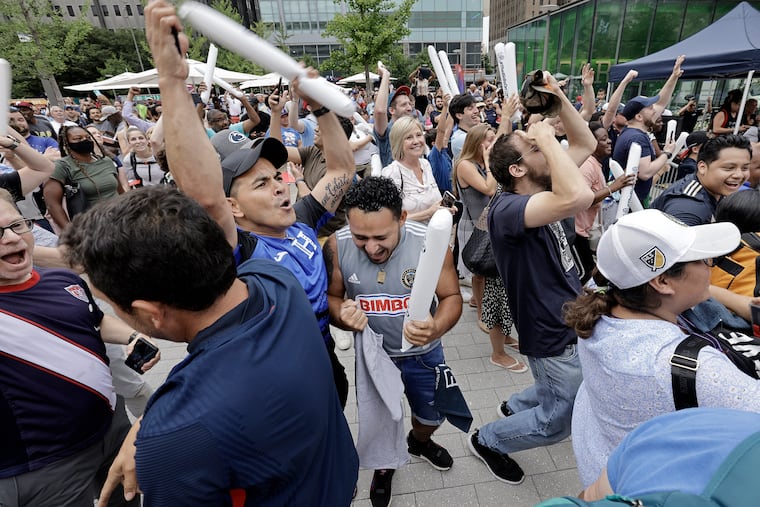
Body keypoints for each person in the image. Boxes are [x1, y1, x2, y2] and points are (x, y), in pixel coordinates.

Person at [62, 184, 358, 506]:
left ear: (151, 313)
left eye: (112, 304)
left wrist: (157, 429)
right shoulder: (276, 280)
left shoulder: (176, 436)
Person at [144, 3, 356, 409]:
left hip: (325, 366)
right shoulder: (237, 249)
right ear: (232, 207)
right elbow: (203, 195)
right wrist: (172, 81)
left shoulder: (302, 220)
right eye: (262, 182)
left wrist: (321, 106)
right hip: (275, 385)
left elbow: (342, 169)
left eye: (278, 176)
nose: (280, 186)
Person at [561, 208, 760, 488]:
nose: (711, 265)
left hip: (605, 464)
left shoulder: (603, 296)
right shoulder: (696, 368)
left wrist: (743, 306)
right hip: (651, 487)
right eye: (703, 259)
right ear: (663, 282)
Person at [466, 70, 597, 484]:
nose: (552, 146)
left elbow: (586, 144)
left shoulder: (539, 184)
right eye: (537, 148)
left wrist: (557, 99)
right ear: (520, 170)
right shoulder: (507, 210)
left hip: (571, 316)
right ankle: (487, 439)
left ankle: (515, 407)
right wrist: (542, 137)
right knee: (557, 423)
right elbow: (579, 196)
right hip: (548, 329)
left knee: (555, 393)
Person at [0, 188, 155, 507]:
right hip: (48, 466)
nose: (13, 238)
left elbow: (94, 320)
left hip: (113, 432)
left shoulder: (59, 280)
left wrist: (132, 338)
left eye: (17, 225)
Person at [324, 176, 462, 507]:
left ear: (401, 218)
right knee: (382, 421)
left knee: (431, 415)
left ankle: (418, 442)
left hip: (424, 353)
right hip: (375, 356)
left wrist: (435, 327)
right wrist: (341, 312)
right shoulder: (337, 245)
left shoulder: (429, 242)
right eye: (361, 237)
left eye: (381, 236)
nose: (371, 248)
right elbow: (330, 298)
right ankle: (385, 466)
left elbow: (452, 297)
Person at [612, 56, 683, 204]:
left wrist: (674, 76)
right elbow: (645, 172)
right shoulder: (637, 138)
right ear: (638, 116)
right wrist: (667, 153)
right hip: (631, 203)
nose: (654, 111)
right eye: (650, 108)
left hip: (632, 199)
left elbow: (661, 102)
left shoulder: (631, 132)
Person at [573, 122, 635, 283]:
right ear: (591, 143)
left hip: (583, 231)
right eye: (603, 139)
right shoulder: (587, 165)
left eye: (608, 138)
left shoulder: (595, 164)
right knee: (584, 274)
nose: (609, 141)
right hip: (574, 232)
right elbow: (581, 199)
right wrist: (612, 188)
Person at [651, 135, 751, 226]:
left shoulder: (714, 189)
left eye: (745, 168)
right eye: (729, 168)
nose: (739, 175)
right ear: (702, 167)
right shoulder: (689, 208)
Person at [44, 126, 127, 230]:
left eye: (88, 137)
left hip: (120, 221)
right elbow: (53, 205)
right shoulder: (62, 166)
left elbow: (120, 192)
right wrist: (71, 232)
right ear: (67, 143)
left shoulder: (106, 161)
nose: (84, 140)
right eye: (78, 138)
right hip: (91, 227)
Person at [381, 116, 447, 224]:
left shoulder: (425, 164)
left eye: (419, 135)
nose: (416, 141)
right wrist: (429, 212)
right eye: (409, 137)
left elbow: (432, 201)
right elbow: (389, 221)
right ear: (398, 142)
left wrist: (443, 208)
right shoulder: (391, 173)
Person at [374, 68, 418, 167]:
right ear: (392, 110)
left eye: (409, 104)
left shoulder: (413, 127)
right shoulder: (387, 130)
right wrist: (385, 75)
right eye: (404, 105)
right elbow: (380, 111)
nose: (409, 108)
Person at [449, 93, 481, 159]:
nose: (476, 111)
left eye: (476, 107)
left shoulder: (474, 132)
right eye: (470, 108)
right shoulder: (460, 138)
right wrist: (505, 117)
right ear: (459, 115)